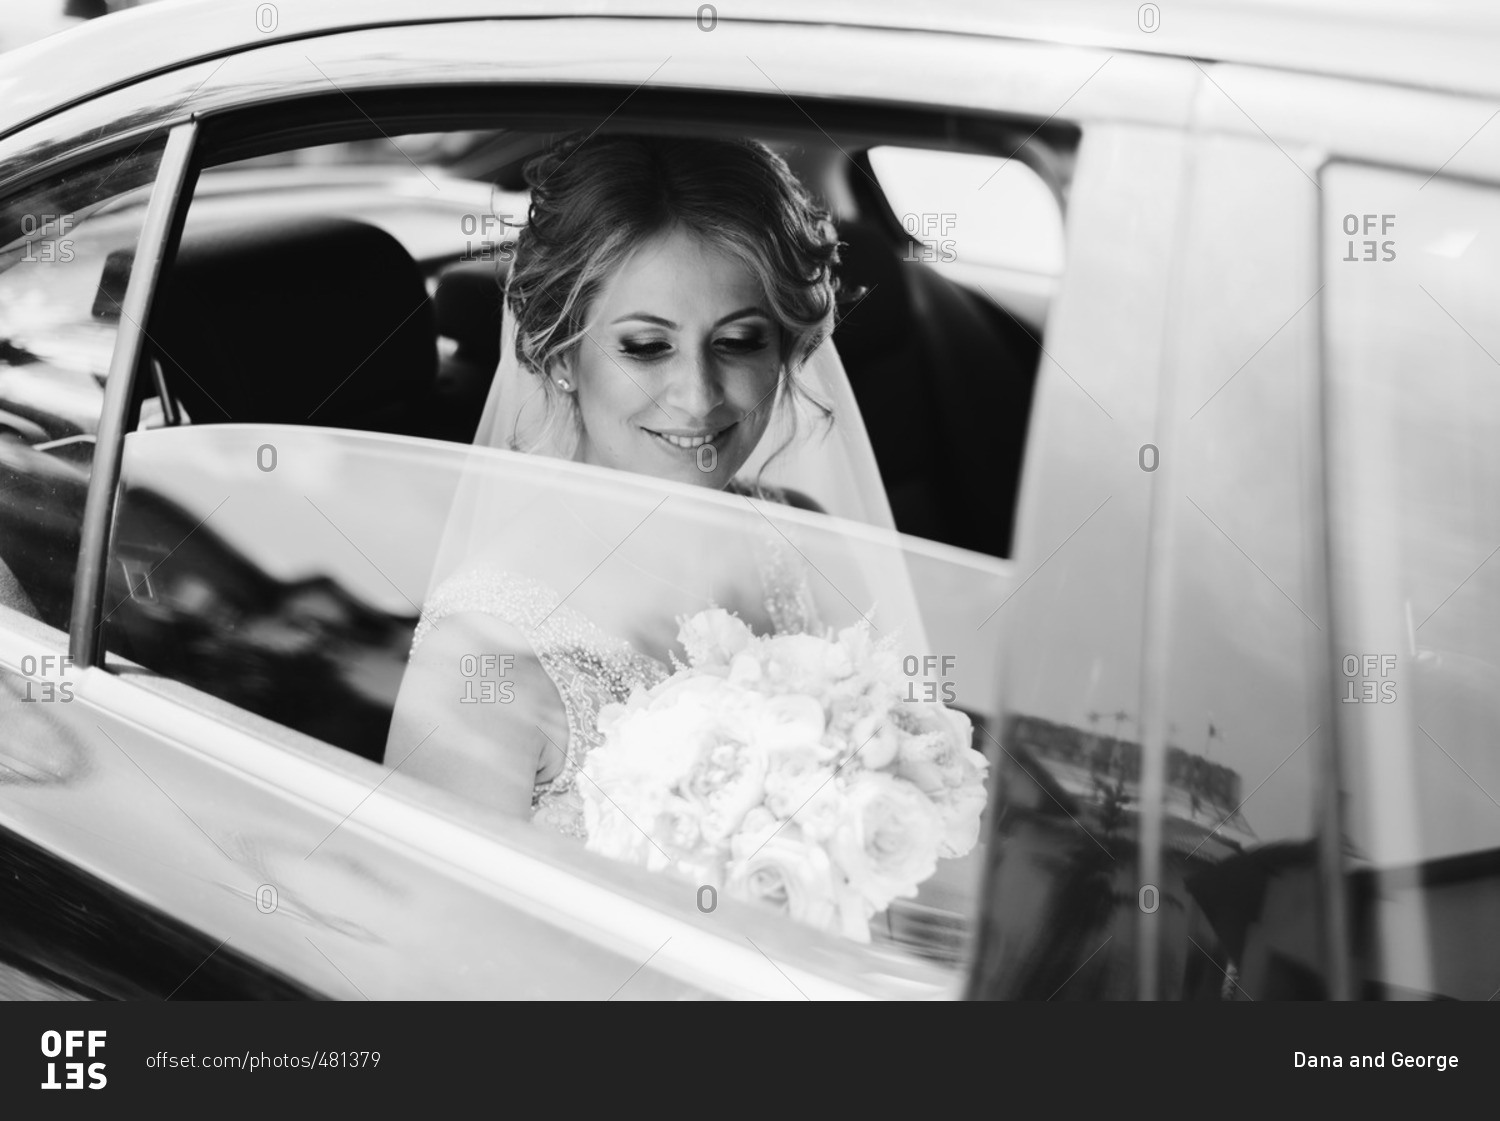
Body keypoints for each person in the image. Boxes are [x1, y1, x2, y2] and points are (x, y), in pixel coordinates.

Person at [386, 134, 920, 836]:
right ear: (560, 356)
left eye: (739, 340)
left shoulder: (803, 536)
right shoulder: (482, 662)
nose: (698, 397)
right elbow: (445, 941)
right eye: (646, 346)